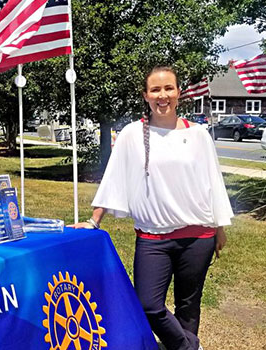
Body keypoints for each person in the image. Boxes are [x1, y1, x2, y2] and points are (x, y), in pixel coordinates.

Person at [70, 66, 233, 350]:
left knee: (188, 305)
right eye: (155, 90)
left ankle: (184, 343)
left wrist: (219, 227)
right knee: (147, 304)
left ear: (179, 93)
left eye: (169, 88)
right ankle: (188, 347)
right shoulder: (133, 134)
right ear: (146, 95)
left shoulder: (199, 135)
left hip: (198, 236)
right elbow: (113, 177)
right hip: (152, 238)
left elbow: (213, 182)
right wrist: (94, 220)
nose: (163, 96)